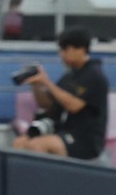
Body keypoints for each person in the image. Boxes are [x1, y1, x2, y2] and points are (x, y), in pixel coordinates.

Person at [12, 31, 108, 160]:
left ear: (81, 49)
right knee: (20, 143)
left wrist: (47, 82)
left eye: (65, 50)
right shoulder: (69, 77)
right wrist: (37, 85)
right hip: (62, 132)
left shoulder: (94, 75)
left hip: (85, 139)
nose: (61, 54)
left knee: (38, 145)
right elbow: (47, 104)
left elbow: (73, 106)